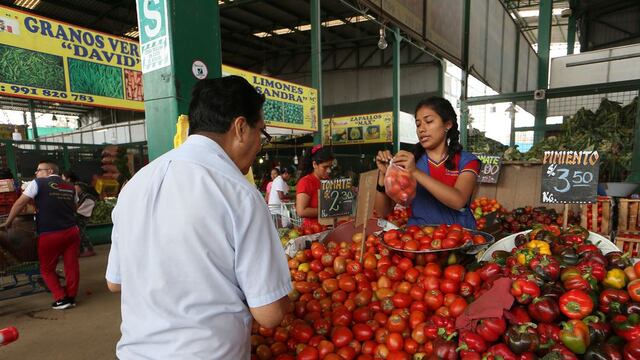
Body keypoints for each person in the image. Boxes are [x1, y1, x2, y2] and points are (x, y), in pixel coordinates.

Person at [105, 76, 291, 359]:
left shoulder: (135, 184)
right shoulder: (239, 193)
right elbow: (270, 314)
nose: (259, 145)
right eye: (261, 133)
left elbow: (115, 282)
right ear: (240, 128)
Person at [374, 97, 481, 229]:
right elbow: (382, 211)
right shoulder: (409, 161)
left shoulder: (468, 161)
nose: (421, 129)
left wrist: (414, 172)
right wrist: (383, 176)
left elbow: (458, 201)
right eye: (418, 124)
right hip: (419, 239)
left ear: (447, 124)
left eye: (429, 121)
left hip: (458, 237)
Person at [1, 161, 80, 310]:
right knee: (72, 266)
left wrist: (8, 222)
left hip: (50, 233)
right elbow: (74, 208)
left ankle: (61, 298)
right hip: (71, 232)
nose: (36, 173)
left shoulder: (38, 183)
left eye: (39, 170)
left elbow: (19, 204)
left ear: (49, 171)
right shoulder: (71, 187)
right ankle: (71, 296)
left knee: (46, 269)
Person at [295, 145, 334, 231]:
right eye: (325, 167)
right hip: (312, 232)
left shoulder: (328, 181)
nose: (329, 170)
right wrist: (327, 211)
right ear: (314, 164)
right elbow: (301, 211)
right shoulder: (305, 182)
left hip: (328, 229)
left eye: (330, 166)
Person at [62, 171, 97, 257]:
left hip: (84, 209)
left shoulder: (76, 186)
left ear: (68, 179)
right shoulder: (74, 185)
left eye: (63, 177)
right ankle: (80, 250)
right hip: (82, 209)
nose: (61, 179)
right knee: (79, 231)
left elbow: (75, 199)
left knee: (80, 231)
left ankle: (89, 249)